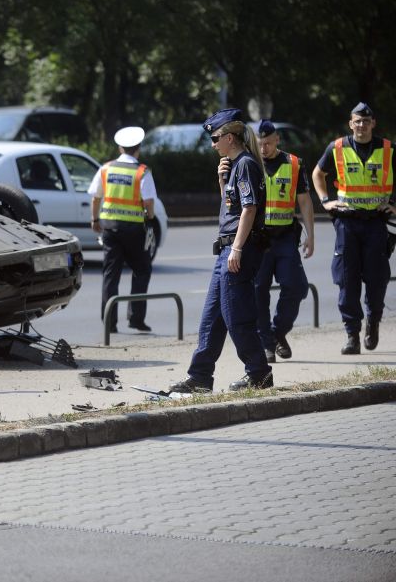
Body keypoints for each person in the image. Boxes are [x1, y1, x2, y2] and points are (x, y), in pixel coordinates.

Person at [168, 108, 273, 393]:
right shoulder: (234, 167)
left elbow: (249, 210)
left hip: (237, 250)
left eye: (215, 138)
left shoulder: (246, 164)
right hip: (226, 251)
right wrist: (221, 183)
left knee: (237, 317)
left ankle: (259, 374)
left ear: (229, 137)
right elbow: (233, 208)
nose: (213, 144)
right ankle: (200, 377)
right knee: (212, 318)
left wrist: (237, 248)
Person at [311, 102, 395, 355]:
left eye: (366, 121)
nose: (361, 125)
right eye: (357, 121)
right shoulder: (337, 147)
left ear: (373, 124)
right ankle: (352, 335)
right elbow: (317, 174)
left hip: (376, 223)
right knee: (347, 282)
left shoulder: (388, 149)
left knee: (377, 279)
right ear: (351, 124)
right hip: (347, 223)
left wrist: (393, 205)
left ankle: (373, 322)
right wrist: (326, 201)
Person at [254, 119, 314, 363]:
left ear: (277, 139)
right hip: (257, 240)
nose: (264, 148)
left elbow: (305, 201)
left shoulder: (294, 164)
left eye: (268, 143)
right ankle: (267, 344)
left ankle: (278, 331)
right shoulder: (249, 163)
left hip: (285, 238)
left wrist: (311, 234)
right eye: (260, 144)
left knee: (297, 286)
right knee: (258, 292)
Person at [88, 126, 156, 334]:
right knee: (141, 271)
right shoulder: (142, 172)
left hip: (109, 229)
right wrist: (149, 220)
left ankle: (109, 323)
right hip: (135, 230)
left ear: (120, 148)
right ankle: (135, 318)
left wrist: (95, 219)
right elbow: (149, 204)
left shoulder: (106, 169)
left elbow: (95, 197)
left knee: (111, 274)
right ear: (138, 148)